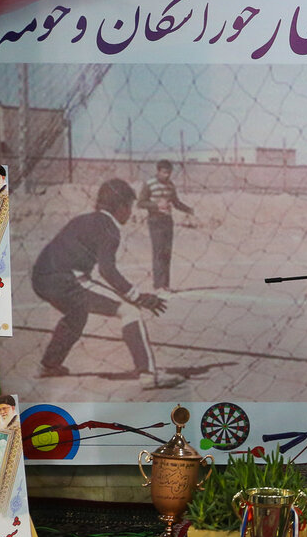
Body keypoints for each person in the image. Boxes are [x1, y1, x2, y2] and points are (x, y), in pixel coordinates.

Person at [32, 178, 184, 389]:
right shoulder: (110, 228)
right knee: (130, 311)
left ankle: (49, 365)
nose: (130, 213)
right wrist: (137, 297)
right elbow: (107, 270)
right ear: (120, 207)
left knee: (77, 314)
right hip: (67, 279)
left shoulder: (83, 219)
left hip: (40, 279)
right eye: (129, 207)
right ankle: (148, 374)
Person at [137, 159, 194, 293]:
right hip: (155, 220)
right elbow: (140, 203)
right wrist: (156, 205)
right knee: (158, 252)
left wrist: (188, 209)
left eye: (169, 173)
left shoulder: (170, 185)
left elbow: (175, 202)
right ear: (158, 171)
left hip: (167, 220)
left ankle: (165, 284)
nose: (166, 175)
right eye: (164, 172)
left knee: (167, 253)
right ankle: (158, 285)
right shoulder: (149, 184)